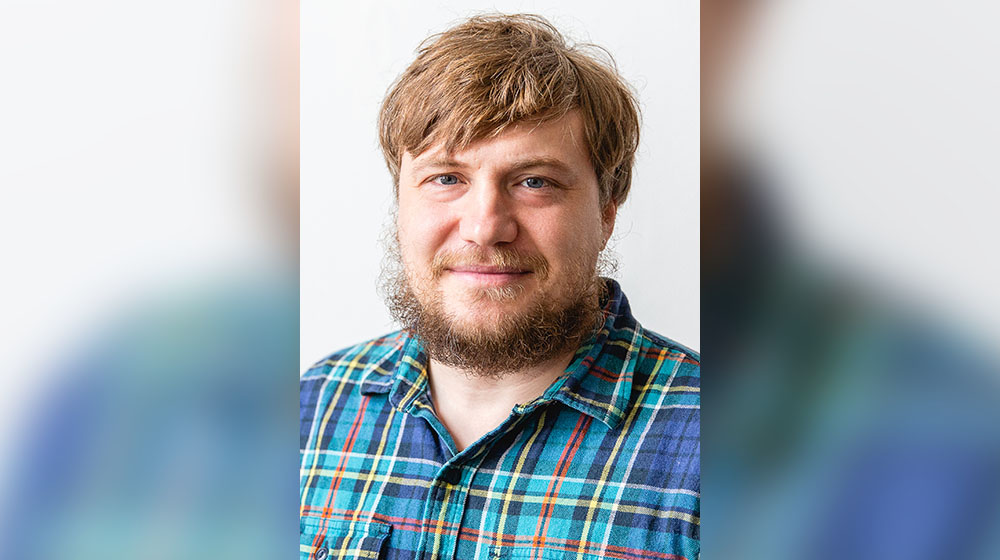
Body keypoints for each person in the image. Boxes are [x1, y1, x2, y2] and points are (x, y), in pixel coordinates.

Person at [300, 14, 699, 560]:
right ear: (401, 204)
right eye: (446, 178)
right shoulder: (311, 407)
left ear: (607, 211)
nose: (486, 226)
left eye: (535, 182)